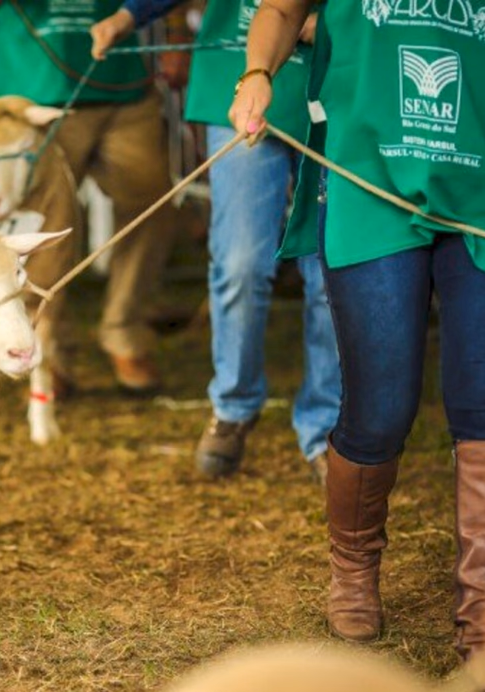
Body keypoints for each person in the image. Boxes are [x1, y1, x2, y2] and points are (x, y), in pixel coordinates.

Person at [231, 0, 485, 692]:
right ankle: (353, 570)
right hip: (369, 181)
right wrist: (257, 73)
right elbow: (281, 9)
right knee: (380, 406)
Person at [92, 1, 341, 482]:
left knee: (331, 271)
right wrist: (127, 16)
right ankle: (233, 406)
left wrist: (337, 22)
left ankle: (327, 425)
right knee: (240, 262)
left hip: (335, 83)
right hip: (242, 77)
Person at [0, 0, 178, 396]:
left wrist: (177, 35)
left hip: (122, 82)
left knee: (150, 202)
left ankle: (125, 331)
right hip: (32, 87)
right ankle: (48, 350)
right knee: (41, 221)